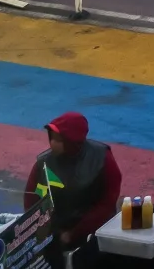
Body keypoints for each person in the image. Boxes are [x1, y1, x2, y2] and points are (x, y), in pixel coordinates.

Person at [22, 111, 121, 265]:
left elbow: (107, 202)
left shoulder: (102, 158)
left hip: (93, 230)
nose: (53, 143)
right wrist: (40, 232)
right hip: (54, 234)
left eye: (59, 139)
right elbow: (31, 201)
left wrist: (74, 233)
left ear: (72, 141)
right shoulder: (43, 163)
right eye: (52, 137)